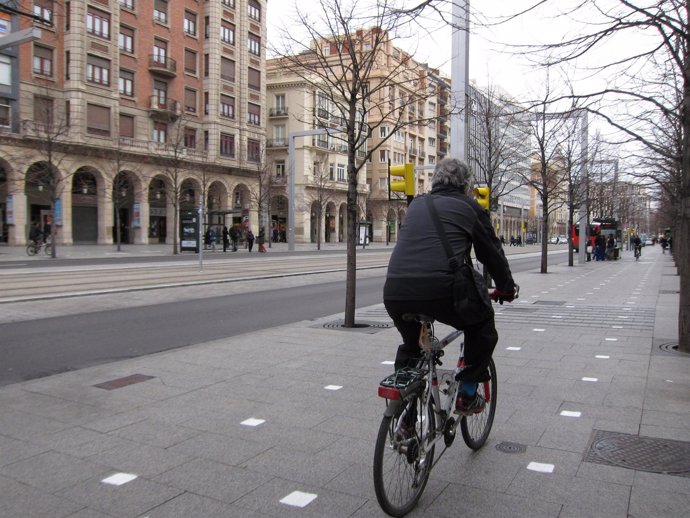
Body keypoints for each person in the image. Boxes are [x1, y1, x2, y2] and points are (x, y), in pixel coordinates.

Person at [383, 158, 516, 418]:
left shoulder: (417, 204)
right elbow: (492, 254)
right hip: (441, 290)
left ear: (434, 182)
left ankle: (404, 415)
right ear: (466, 186)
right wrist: (506, 288)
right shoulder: (470, 207)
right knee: (482, 325)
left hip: (395, 290)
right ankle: (467, 394)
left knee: (412, 346)